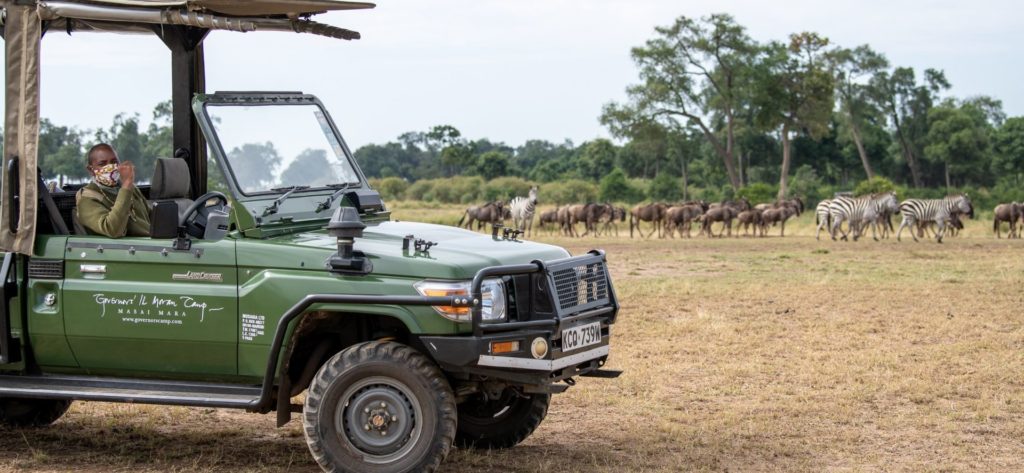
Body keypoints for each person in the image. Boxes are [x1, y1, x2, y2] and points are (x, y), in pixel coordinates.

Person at [75, 143, 151, 238]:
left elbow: (151, 216)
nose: (110, 167)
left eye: (114, 162)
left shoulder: (131, 189)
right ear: (91, 170)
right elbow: (112, 230)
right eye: (102, 164)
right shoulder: (87, 198)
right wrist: (126, 185)